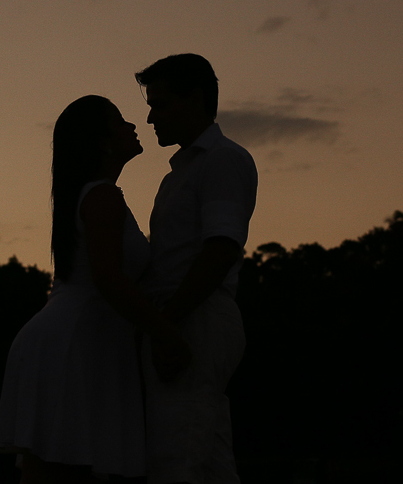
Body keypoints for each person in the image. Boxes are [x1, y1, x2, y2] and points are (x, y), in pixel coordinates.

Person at [0, 95, 190, 483]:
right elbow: (108, 278)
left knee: (57, 469)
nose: (132, 126)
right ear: (101, 141)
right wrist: (167, 334)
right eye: (119, 122)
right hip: (75, 344)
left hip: (76, 341)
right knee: (63, 469)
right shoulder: (101, 197)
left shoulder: (94, 196)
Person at [134, 54, 257, 484]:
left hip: (193, 315)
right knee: (206, 456)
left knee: (177, 455)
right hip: (185, 314)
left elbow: (222, 247)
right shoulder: (182, 171)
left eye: (161, 105)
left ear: (196, 100)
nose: (150, 118)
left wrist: (167, 324)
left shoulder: (221, 160)